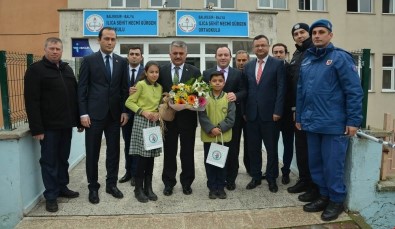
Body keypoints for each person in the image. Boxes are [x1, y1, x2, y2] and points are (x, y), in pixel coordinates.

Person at [296, 19, 363, 221]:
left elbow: (354, 91)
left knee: (332, 165)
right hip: (311, 122)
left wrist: (353, 120)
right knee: (315, 163)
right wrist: (299, 116)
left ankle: (336, 200)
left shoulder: (340, 58)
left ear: (330, 35)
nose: (317, 35)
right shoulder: (307, 59)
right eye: (314, 32)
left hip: (334, 124)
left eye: (321, 32)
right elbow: (301, 92)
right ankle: (323, 195)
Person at [24, 37, 81, 212]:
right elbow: (31, 101)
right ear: (45, 49)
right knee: (49, 161)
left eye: (58, 49)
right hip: (48, 128)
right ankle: (51, 196)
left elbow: (75, 96)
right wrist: (37, 128)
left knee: (63, 159)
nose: (55, 51)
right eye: (52, 48)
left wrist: (78, 120)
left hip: (66, 125)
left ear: (62, 51)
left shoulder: (67, 69)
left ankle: (62, 187)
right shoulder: (35, 70)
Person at [78, 27, 129, 204]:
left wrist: (124, 110)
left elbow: (124, 89)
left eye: (113, 39)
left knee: (114, 152)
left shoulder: (121, 62)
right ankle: (93, 187)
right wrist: (83, 112)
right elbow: (82, 88)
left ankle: (111, 184)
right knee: (92, 152)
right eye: (106, 39)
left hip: (115, 116)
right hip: (93, 115)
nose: (110, 42)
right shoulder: (89, 60)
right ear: (99, 40)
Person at [243, 34, 285, 193]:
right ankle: (255, 176)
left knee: (271, 148)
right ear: (253, 48)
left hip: (271, 115)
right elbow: (245, 90)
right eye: (257, 46)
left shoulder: (277, 64)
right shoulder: (248, 66)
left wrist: (278, 110)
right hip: (252, 115)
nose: (260, 48)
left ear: (268, 46)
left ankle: (272, 178)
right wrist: (244, 112)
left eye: (263, 45)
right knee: (253, 148)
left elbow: (281, 89)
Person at [158, 40, 201, 196]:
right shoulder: (161, 71)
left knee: (187, 152)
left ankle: (187, 182)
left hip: (188, 120)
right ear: (170, 54)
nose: (177, 56)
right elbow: (157, 93)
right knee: (169, 152)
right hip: (169, 120)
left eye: (181, 53)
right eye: (175, 53)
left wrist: (186, 104)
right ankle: (168, 183)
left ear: (186, 55)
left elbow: (199, 96)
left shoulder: (194, 71)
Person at [203, 47, 247, 191]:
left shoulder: (238, 73)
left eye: (226, 55)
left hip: (232, 119)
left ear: (230, 57)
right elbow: (201, 94)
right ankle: (214, 181)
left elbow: (244, 90)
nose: (223, 57)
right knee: (213, 153)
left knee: (232, 151)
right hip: (211, 121)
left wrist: (237, 96)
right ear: (215, 57)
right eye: (220, 55)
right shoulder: (207, 73)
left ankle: (230, 179)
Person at [286, 23, 320, 203]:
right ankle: (304, 180)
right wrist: (293, 108)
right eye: (296, 34)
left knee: (312, 151)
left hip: (312, 110)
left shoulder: (314, 51)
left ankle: (314, 187)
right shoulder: (297, 54)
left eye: (302, 32)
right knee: (300, 148)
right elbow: (294, 85)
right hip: (298, 110)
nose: (299, 36)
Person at [125, 61, 163, 203]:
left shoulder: (159, 87)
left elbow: (159, 104)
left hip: (154, 123)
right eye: (151, 72)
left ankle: (148, 187)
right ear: (146, 72)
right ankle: (138, 189)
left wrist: (159, 113)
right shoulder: (140, 85)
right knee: (141, 158)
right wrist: (143, 112)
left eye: (156, 72)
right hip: (142, 122)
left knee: (151, 157)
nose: (154, 74)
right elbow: (129, 102)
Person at [199, 71, 236, 199]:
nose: (217, 83)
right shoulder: (204, 97)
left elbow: (231, 118)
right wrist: (210, 128)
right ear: (210, 83)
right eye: (214, 81)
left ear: (224, 83)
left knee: (222, 162)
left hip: (223, 136)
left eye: (220, 81)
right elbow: (202, 115)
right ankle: (212, 187)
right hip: (209, 136)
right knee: (209, 162)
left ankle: (221, 187)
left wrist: (219, 128)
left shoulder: (228, 98)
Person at [119, 47, 145, 186]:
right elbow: (118, 92)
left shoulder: (146, 72)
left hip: (141, 115)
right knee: (128, 144)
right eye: (132, 54)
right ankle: (128, 172)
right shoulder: (121, 71)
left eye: (137, 54)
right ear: (128, 57)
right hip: (125, 115)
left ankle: (137, 174)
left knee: (139, 146)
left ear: (141, 57)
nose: (134, 56)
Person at [271, 43, 293, 185]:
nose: (278, 54)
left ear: (286, 53)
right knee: (272, 144)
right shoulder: (269, 69)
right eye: (275, 52)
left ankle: (286, 172)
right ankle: (272, 171)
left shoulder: (291, 68)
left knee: (288, 144)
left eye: (281, 52)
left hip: (289, 114)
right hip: (273, 114)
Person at [235, 50, 251, 175]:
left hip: (249, 115)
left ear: (248, 60)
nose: (241, 63)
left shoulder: (252, 73)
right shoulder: (231, 74)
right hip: (234, 115)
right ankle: (233, 168)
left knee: (249, 143)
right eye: (239, 60)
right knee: (234, 144)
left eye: (243, 60)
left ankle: (250, 168)